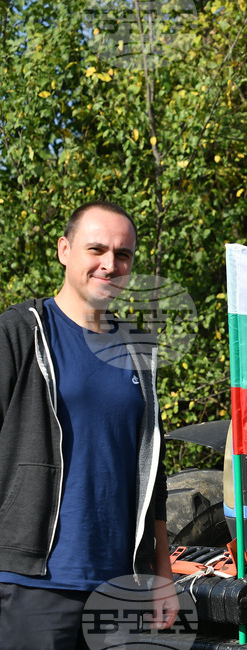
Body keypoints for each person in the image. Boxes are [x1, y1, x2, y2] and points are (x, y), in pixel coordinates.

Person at [0, 201, 179, 649]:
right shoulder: (20, 334)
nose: (110, 264)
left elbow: (152, 477)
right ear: (64, 250)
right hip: (32, 583)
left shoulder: (140, 351)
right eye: (96, 249)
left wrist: (162, 574)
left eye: (123, 255)